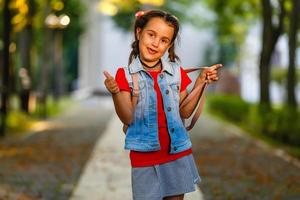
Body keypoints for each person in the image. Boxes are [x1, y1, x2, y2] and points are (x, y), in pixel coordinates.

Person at [103, 9, 222, 200]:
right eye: (151, 35)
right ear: (139, 32)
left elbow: (184, 112)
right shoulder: (124, 75)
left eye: (164, 40)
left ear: (169, 45)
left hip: (177, 152)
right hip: (144, 156)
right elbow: (127, 117)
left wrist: (200, 82)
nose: (156, 43)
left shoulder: (176, 72)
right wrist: (116, 92)